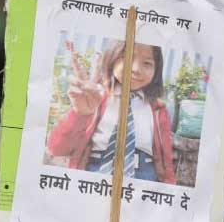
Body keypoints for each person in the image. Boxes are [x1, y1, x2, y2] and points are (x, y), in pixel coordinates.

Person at [45, 41, 175, 183]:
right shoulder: (94, 98)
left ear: (156, 70)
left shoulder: (158, 110)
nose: (136, 69)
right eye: (127, 57)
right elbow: (56, 148)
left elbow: (166, 163)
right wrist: (79, 114)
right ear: (112, 59)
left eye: (147, 63)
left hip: (144, 177)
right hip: (95, 172)